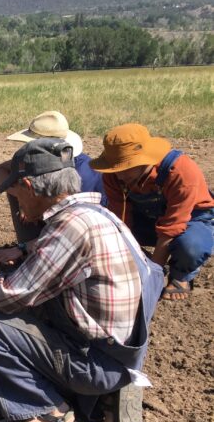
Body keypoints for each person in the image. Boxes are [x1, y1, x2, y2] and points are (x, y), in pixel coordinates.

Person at [0, 138, 164, 422]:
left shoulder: (70, 228)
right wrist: (24, 249)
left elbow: (5, 295)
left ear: (29, 185)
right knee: (18, 286)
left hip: (98, 361)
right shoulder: (96, 216)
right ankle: (99, 391)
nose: (16, 202)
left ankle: (47, 411)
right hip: (120, 348)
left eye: (15, 192)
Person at [90, 123, 213, 301]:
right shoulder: (113, 175)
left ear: (144, 160)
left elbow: (171, 227)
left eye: (125, 168)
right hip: (147, 218)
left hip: (191, 219)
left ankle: (181, 276)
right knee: (107, 234)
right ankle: (141, 265)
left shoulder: (180, 170)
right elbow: (121, 221)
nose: (119, 175)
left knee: (191, 247)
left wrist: (152, 278)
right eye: (116, 169)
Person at [0, 110, 104, 243]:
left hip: (77, 236)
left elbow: (74, 230)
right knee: (18, 183)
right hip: (62, 221)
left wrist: (23, 248)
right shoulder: (48, 161)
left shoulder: (80, 174)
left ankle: (31, 248)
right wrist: (24, 198)